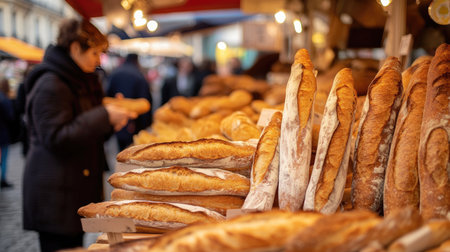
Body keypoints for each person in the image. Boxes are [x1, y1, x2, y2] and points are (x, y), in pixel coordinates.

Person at [22, 18, 135, 252]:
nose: (98, 60)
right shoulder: (51, 84)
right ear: (75, 48)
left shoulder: (80, 81)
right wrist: (103, 116)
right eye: (94, 53)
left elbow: (85, 134)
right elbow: (56, 136)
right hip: (55, 196)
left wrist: (110, 123)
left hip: (73, 189)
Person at [107, 53, 153, 150]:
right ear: (136, 60)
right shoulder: (139, 75)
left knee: (121, 151)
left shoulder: (115, 73)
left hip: (117, 122)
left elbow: (107, 97)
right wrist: (145, 126)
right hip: (134, 123)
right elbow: (145, 101)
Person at [0, 77, 14, 188]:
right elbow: (10, 116)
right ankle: (2, 179)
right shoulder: (4, 99)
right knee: (3, 158)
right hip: (3, 133)